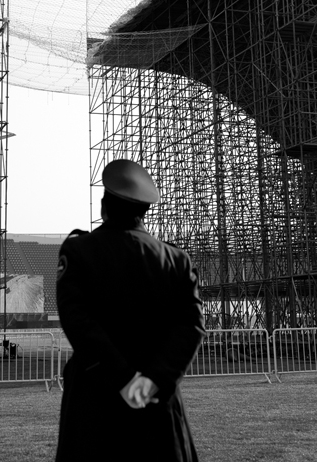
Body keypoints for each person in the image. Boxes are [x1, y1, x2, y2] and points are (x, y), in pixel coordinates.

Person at [55, 159, 205, 462]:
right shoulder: (176, 260)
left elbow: (78, 321)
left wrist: (124, 379)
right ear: (144, 210)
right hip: (156, 404)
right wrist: (151, 381)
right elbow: (191, 326)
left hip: (94, 402)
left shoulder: (79, 251)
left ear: (104, 207)